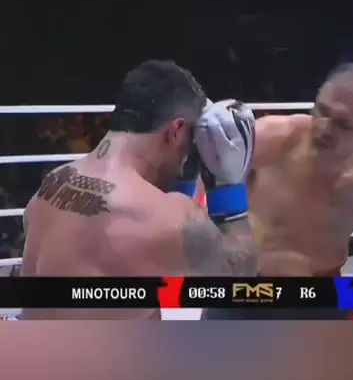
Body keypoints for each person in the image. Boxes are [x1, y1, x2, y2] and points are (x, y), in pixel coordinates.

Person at [20, 60, 257, 319]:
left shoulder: (54, 184)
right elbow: (240, 278)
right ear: (176, 131)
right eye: (191, 140)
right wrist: (228, 185)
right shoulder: (168, 216)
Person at [203, 63, 353, 319]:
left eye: (342, 124)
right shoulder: (274, 138)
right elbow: (209, 177)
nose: (324, 127)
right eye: (322, 110)